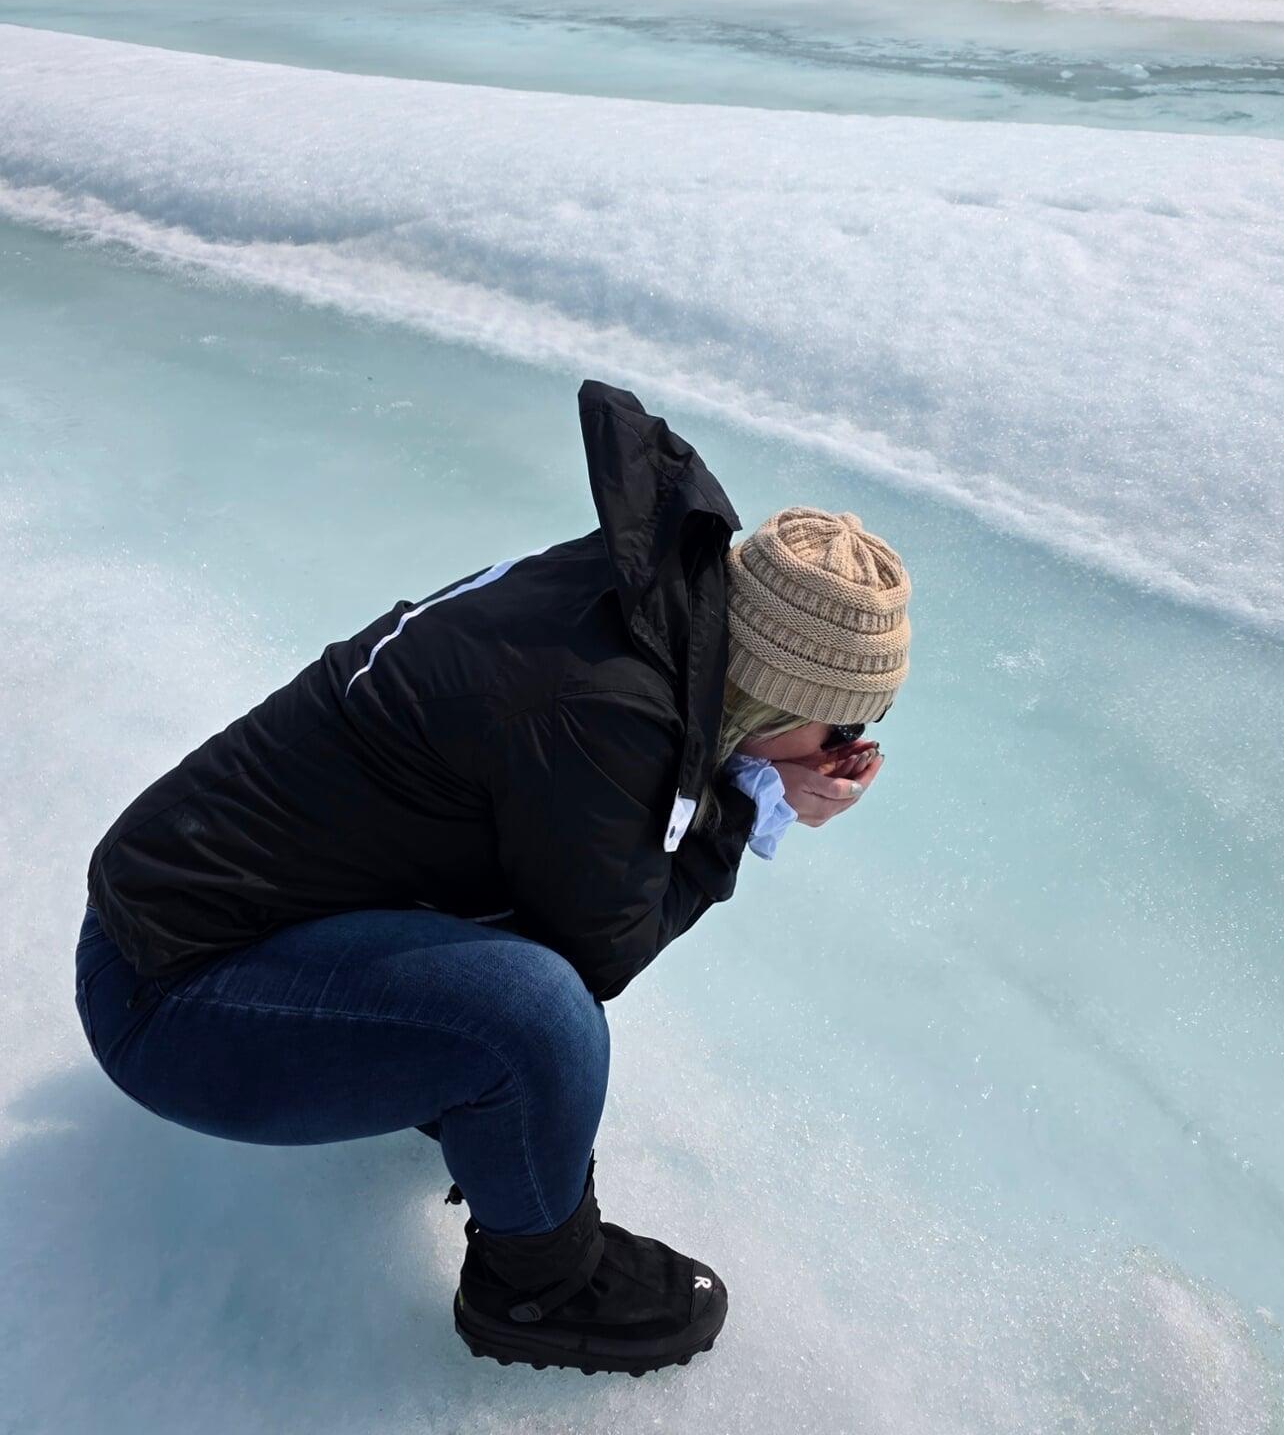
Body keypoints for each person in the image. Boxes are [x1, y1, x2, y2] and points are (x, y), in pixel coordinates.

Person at [72, 379, 911, 1377]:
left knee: (522, 973)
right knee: (535, 1016)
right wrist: (748, 801)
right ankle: (538, 1286)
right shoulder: (604, 709)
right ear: (781, 689)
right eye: (845, 723)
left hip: (202, 925)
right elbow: (607, 943)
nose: (844, 748)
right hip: (174, 1001)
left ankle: (429, 1076)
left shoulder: (636, 599)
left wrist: (747, 767)